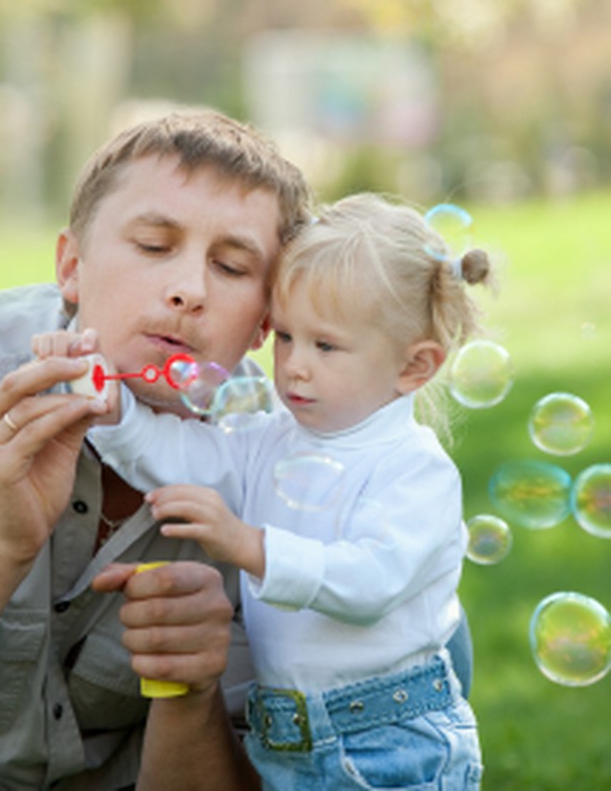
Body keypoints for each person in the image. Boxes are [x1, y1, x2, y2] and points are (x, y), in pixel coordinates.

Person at [0, 109, 312, 790]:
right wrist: (0, 550)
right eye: (155, 246)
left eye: (231, 265)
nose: (189, 289)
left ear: (264, 323)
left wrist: (188, 690)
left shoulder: (283, 464)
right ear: (71, 267)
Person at [52, 193, 487, 789]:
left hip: (392, 740)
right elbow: (179, 458)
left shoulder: (414, 470)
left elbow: (370, 583)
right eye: (285, 337)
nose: (294, 367)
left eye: (325, 346)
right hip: (284, 736)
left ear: (414, 367)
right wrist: (107, 403)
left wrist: (249, 545)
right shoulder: (269, 441)